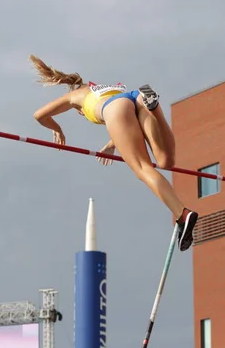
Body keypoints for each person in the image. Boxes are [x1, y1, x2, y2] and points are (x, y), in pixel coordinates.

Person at [29, 55, 198, 251]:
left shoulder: (74, 98)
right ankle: (154, 107)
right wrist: (112, 144)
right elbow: (126, 118)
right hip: (136, 98)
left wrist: (57, 129)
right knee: (165, 162)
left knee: (142, 169)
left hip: (115, 109)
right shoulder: (99, 88)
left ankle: (182, 213)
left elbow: (39, 115)